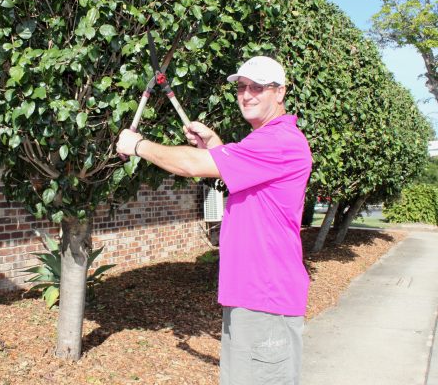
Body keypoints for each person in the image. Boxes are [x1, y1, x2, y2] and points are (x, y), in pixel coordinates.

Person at [116, 56, 312, 385]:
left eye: (258, 87)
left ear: (280, 93)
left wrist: (139, 145)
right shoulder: (267, 141)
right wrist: (217, 146)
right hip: (252, 295)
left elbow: (193, 166)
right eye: (242, 87)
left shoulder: (278, 141)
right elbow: (245, 177)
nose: (247, 94)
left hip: (265, 298)